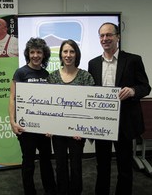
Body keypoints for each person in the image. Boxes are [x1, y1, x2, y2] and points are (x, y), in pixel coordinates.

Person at [88, 22, 151, 195]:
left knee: (124, 166)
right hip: (101, 124)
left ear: (118, 37)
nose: (105, 39)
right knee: (102, 165)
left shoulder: (133, 60)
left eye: (109, 35)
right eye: (102, 35)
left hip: (124, 123)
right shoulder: (92, 63)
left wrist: (132, 91)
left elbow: (145, 87)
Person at [8, 37, 56, 195]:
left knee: (46, 162)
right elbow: (12, 98)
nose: (35, 55)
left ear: (44, 55)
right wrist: (12, 122)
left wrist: (50, 126)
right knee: (28, 162)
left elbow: (49, 103)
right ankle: (30, 191)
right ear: (28, 54)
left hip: (43, 129)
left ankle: (50, 190)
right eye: (32, 52)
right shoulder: (20, 73)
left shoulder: (46, 74)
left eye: (39, 52)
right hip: (25, 128)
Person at [47, 39, 95, 195]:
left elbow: (90, 107)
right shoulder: (52, 77)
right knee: (60, 165)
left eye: (72, 51)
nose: (68, 55)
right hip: (58, 132)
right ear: (60, 54)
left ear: (76, 54)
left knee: (76, 166)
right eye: (65, 51)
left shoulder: (86, 77)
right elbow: (48, 105)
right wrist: (47, 126)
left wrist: (83, 129)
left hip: (77, 133)